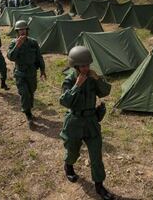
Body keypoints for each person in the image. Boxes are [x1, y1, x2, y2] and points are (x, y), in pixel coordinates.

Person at [59, 46, 114, 200]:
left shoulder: (91, 77)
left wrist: (98, 79)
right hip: (75, 122)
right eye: (82, 66)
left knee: (96, 156)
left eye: (88, 65)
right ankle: (68, 166)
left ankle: (99, 186)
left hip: (91, 121)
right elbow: (64, 101)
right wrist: (77, 85)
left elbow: (105, 92)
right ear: (75, 66)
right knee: (72, 151)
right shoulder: (69, 80)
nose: (86, 68)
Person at [7, 20, 46, 126]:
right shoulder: (13, 43)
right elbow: (10, 57)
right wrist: (17, 46)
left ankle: (29, 108)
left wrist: (42, 70)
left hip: (32, 73)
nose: (22, 31)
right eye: (20, 30)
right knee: (24, 93)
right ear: (17, 32)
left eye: (24, 29)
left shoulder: (33, 42)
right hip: (20, 74)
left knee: (31, 92)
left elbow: (39, 57)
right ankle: (28, 114)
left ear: (27, 30)